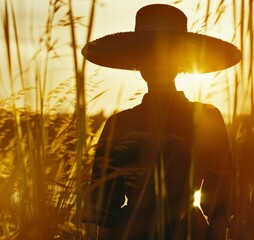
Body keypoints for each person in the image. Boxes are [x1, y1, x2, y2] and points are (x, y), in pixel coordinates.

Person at [82, 4, 241, 240]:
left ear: (181, 60)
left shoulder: (207, 118)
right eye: (150, 53)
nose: (159, 61)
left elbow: (219, 202)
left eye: (168, 52)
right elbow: (106, 209)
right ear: (138, 62)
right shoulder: (119, 124)